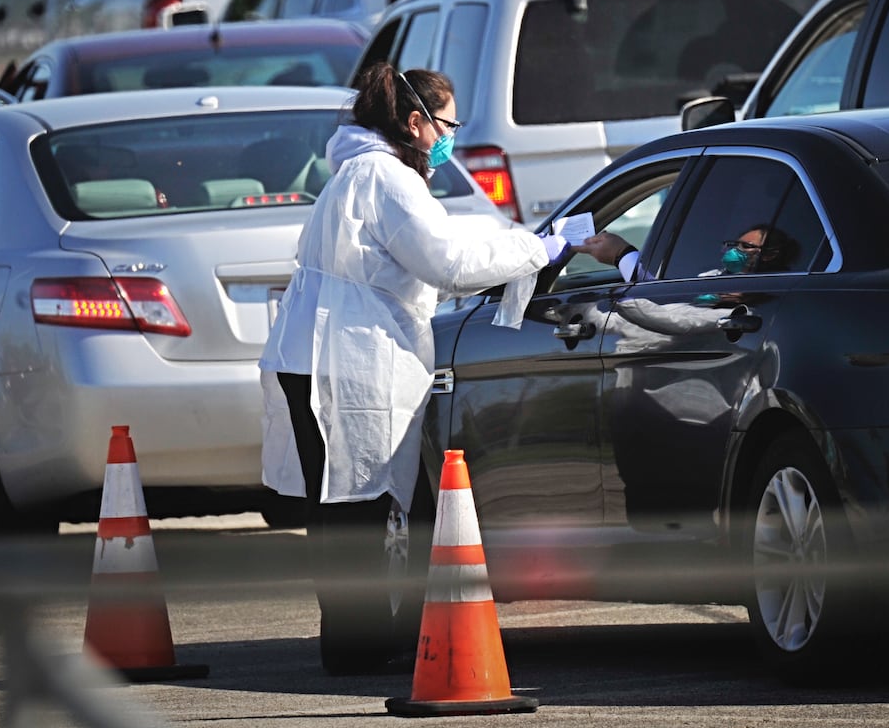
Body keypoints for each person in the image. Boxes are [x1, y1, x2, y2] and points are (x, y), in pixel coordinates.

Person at [259, 61, 571, 675]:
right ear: (415, 122)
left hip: (315, 356)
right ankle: (361, 646)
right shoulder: (384, 177)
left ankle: (357, 641)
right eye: (448, 124)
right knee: (356, 507)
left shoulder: (359, 173)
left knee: (341, 510)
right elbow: (448, 261)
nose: (451, 136)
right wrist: (544, 246)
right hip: (345, 362)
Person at [577, 222, 785, 283]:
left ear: (769, 255)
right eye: (735, 244)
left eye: (746, 247)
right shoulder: (713, 277)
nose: (735, 251)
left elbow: (659, 307)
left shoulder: (759, 289)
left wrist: (621, 253)